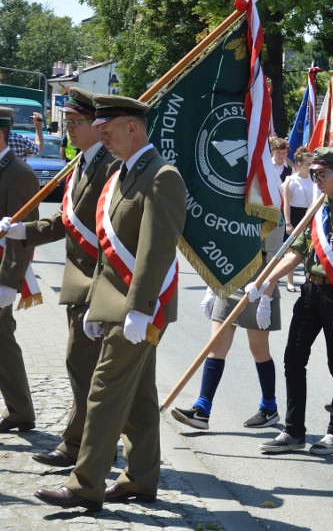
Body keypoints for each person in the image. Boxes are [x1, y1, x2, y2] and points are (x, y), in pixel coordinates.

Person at [35, 94, 186, 511]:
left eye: (108, 131)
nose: (103, 137)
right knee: (138, 396)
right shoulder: (122, 173)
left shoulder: (161, 176)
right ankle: (140, 477)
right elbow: (105, 248)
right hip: (115, 304)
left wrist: (139, 308)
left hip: (141, 309)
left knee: (103, 391)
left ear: (132, 128)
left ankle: (85, 485)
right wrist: (98, 306)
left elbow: (157, 249)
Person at [2, 89, 118, 467]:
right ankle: (83, 444)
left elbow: (109, 235)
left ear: (97, 126)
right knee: (80, 366)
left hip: (97, 285)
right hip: (78, 282)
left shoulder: (108, 168)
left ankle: (81, 447)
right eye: (66, 122)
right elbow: (65, 221)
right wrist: (24, 231)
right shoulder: (84, 163)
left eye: (74, 123)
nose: (67, 129)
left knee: (91, 370)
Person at [257, 147, 333, 456]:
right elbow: (297, 253)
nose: (316, 180)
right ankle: (294, 431)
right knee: (293, 359)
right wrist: (266, 283)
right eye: (314, 174)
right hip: (310, 292)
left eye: (322, 175)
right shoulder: (317, 211)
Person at [170, 258, 282, 431]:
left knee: (259, 349)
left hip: (259, 282)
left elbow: (275, 257)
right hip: (229, 280)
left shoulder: (271, 228)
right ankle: (202, 409)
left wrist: (266, 296)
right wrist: (211, 287)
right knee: (216, 345)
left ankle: (269, 408)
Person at [0, 107, 40, 434]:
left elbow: (23, 233)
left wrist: (9, 283)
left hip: (1, 277)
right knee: (3, 343)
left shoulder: (19, 173)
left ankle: (21, 411)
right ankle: (21, 412)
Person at [281, 148, 318, 291]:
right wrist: (288, 223)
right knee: (292, 250)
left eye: (312, 164)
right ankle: (290, 281)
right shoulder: (291, 180)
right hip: (295, 215)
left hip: (310, 214)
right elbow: (287, 204)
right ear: (299, 164)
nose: (310, 167)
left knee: (309, 249)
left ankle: (307, 278)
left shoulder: (315, 179)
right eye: (307, 164)